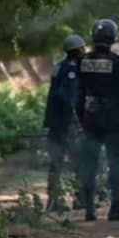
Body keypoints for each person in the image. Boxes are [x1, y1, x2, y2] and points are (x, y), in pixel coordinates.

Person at [76, 19, 119, 221]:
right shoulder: (118, 62)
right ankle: (115, 207)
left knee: (89, 165)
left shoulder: (83, 61)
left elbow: (79, 94)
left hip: (90, 118)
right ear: (113, 38)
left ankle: (89, 210)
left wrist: (81, 119)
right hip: (113, 119)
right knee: (116, 163)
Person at [44, 33, 85, 212]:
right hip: (66, 123)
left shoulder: (58, 66)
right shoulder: (71, 69)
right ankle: (80, 199)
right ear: (78, 50)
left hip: (55, 122)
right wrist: (77, 118)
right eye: (82, 49)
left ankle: (53, 201)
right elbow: (68, 96)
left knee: (56, 162)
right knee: (78, 161)